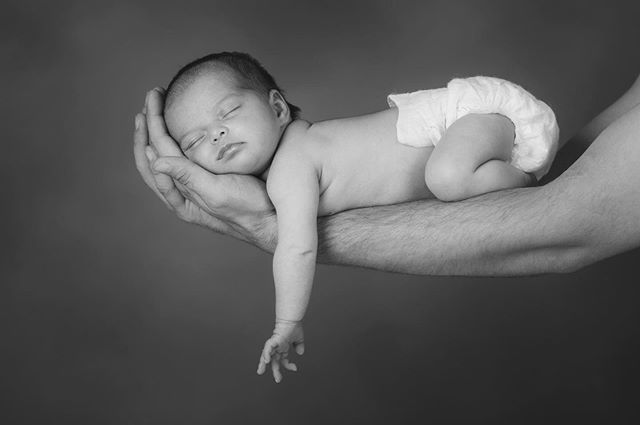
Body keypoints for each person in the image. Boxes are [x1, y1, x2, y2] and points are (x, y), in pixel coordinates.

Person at [134, 70, 640, 383]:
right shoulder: (288, 174)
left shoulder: (295, 163)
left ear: (277, 107)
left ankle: (530, 188)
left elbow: (297, 248)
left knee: (447, 178)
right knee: (452, 182)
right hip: (480, 131)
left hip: (471, 114)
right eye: (196, 140)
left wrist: (286, 321)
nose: (216, 132)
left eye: (228, 112)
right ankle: (528, 185)